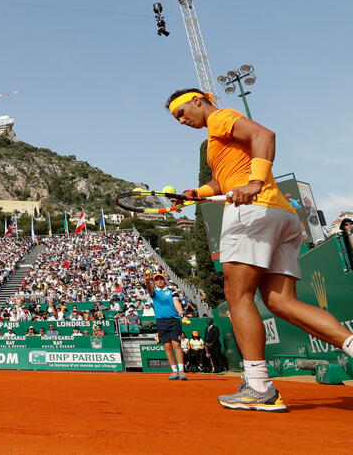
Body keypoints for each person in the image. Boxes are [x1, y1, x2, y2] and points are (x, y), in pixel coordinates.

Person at [168, 88, 353, 411]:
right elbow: (224, 182)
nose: (181, 120)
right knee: (281, 301)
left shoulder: (221, 118)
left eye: (181, 113)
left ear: (197, 101)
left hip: (254, 212)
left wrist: (254, 183)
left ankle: (257, 385)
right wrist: (197, 192)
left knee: (237, 294)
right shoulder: (215, 142)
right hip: (281, 214)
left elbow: (264, 134)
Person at [144, 272, 187, 380]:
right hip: (161, 322)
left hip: (174, 321)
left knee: (176, 345)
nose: (159, 280)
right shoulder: (154, 292)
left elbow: (177, 303)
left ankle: (181, 370)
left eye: (161, 279)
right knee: (167, 346)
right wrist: (147, 281)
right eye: (157, 279)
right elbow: (149, 290)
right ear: (154, 282)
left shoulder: (172, 291)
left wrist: (182, 314)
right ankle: (174, 371)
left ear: (164, 280)